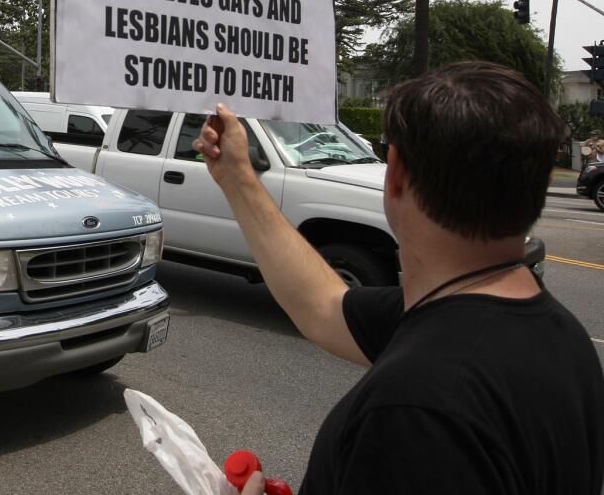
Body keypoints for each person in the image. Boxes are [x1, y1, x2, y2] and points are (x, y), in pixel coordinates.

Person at [193, 62, 603, 494]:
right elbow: (325, 306)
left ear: (397, 173)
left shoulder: (415, 411)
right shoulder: (563, 339)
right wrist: (238, 177)